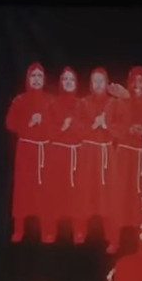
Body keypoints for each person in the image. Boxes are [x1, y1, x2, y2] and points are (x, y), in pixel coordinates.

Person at [105, 66, 142, 252]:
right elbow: (111, 125)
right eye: (133, 81)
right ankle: (114, 239)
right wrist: (127, 130)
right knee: (119, 198)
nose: (137, 85)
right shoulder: (120, 102)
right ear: (128, 83)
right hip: (124, 156)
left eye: (141, 81)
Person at [5, 62, 53, 242]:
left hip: (45, 151)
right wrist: (28, 122)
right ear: (28, 79)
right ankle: (19, 229)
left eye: (40, 75)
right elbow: (10, 123)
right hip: (26, 151)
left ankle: (47, 230)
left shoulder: (51, 100)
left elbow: (57, 126)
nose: (36, 79)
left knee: (46, 190)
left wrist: (45, 121)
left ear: (44, 79)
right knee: (23, 190)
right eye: (33, 75)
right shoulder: (20, 100)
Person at [43, 67, 84, 243]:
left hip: (77, 154)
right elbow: (48, 130)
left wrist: (73, 126)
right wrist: (63, 127)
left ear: (76, 83)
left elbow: (86, 130)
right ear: (60, 83)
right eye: (65, 79)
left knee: (77, 194)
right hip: (58, 154)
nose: (68, 82)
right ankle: (50, 231)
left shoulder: (82, 104)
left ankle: (78, 230)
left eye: (71, 79)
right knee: (54, 193)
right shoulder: (53, 104)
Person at [77, 67, 116, 243]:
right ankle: (81, 231)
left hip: (107, 155)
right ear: (90, 84)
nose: (98, 84)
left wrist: (106, 125)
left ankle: (111, 236)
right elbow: (76, 126)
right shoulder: (83, 103)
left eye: (101, 80)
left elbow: (122, 126)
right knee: (85, 193)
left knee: (108, 196)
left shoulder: (114, 103)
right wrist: (93, 125)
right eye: (95, 81)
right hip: (88, 154)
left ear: (106, 83)